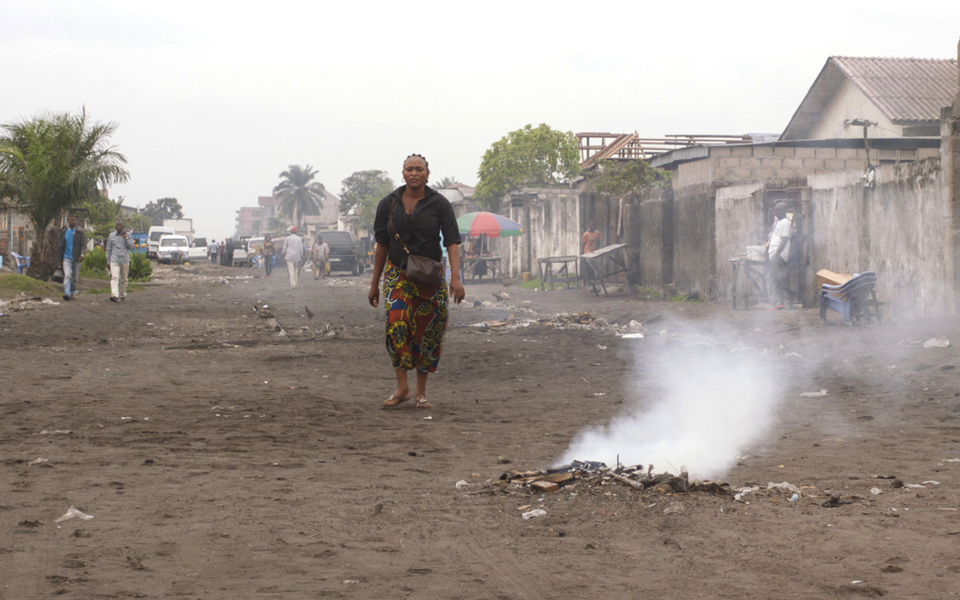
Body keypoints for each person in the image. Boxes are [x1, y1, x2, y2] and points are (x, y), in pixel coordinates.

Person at [368, 154, 465, 410]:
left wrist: (455, 278)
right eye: (409, 169)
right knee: (396, 323)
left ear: (427, 173)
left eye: (419, 169)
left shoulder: (440, 204)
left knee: (428, 330)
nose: (414, 173)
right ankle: (403, 387)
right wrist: (374, 283)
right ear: (403, 173)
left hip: (430, 277)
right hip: (398, 274)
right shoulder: (388, 204)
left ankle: (421, 392)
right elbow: (382, 244)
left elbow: (452, 241)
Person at [766, 202, 792, 310]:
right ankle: (780, 302)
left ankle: (777, 302)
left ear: (783, 211)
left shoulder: (785, 222)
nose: (776, 212)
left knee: (772, 278)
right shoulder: (780, 222)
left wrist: (776, 254)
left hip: (779, 255)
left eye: (778, 210)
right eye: (775, 209)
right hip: (776, 255)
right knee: (776, 278)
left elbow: (784, 239)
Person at [58, 214, 86, 301]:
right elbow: (60, 246)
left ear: (76, 221)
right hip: (66, 257)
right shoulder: (64, 232)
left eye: (74, 220)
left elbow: (83, 245)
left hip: (77, 258)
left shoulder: (80, 232)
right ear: (68, 221)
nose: (72, 221)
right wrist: (60, 260)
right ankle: (66, 293)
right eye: (70, 220)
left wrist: (82, 254)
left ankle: (71, 293)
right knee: (67, 275)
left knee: (75, 278)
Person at [105, 219, 135, 302]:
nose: (119, 227)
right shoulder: (111, 236)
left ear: (123, 226)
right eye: (117, 225)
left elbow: (132, 247)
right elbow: (109, 249)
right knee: (114, 277)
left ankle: (122, 293)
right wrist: (108, 261)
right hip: (114, 259)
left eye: (120, 225)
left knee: (124, 279)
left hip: (124, 259)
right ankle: (114, 295)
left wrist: (126, 238)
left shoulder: (128, 235)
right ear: (115, 226)